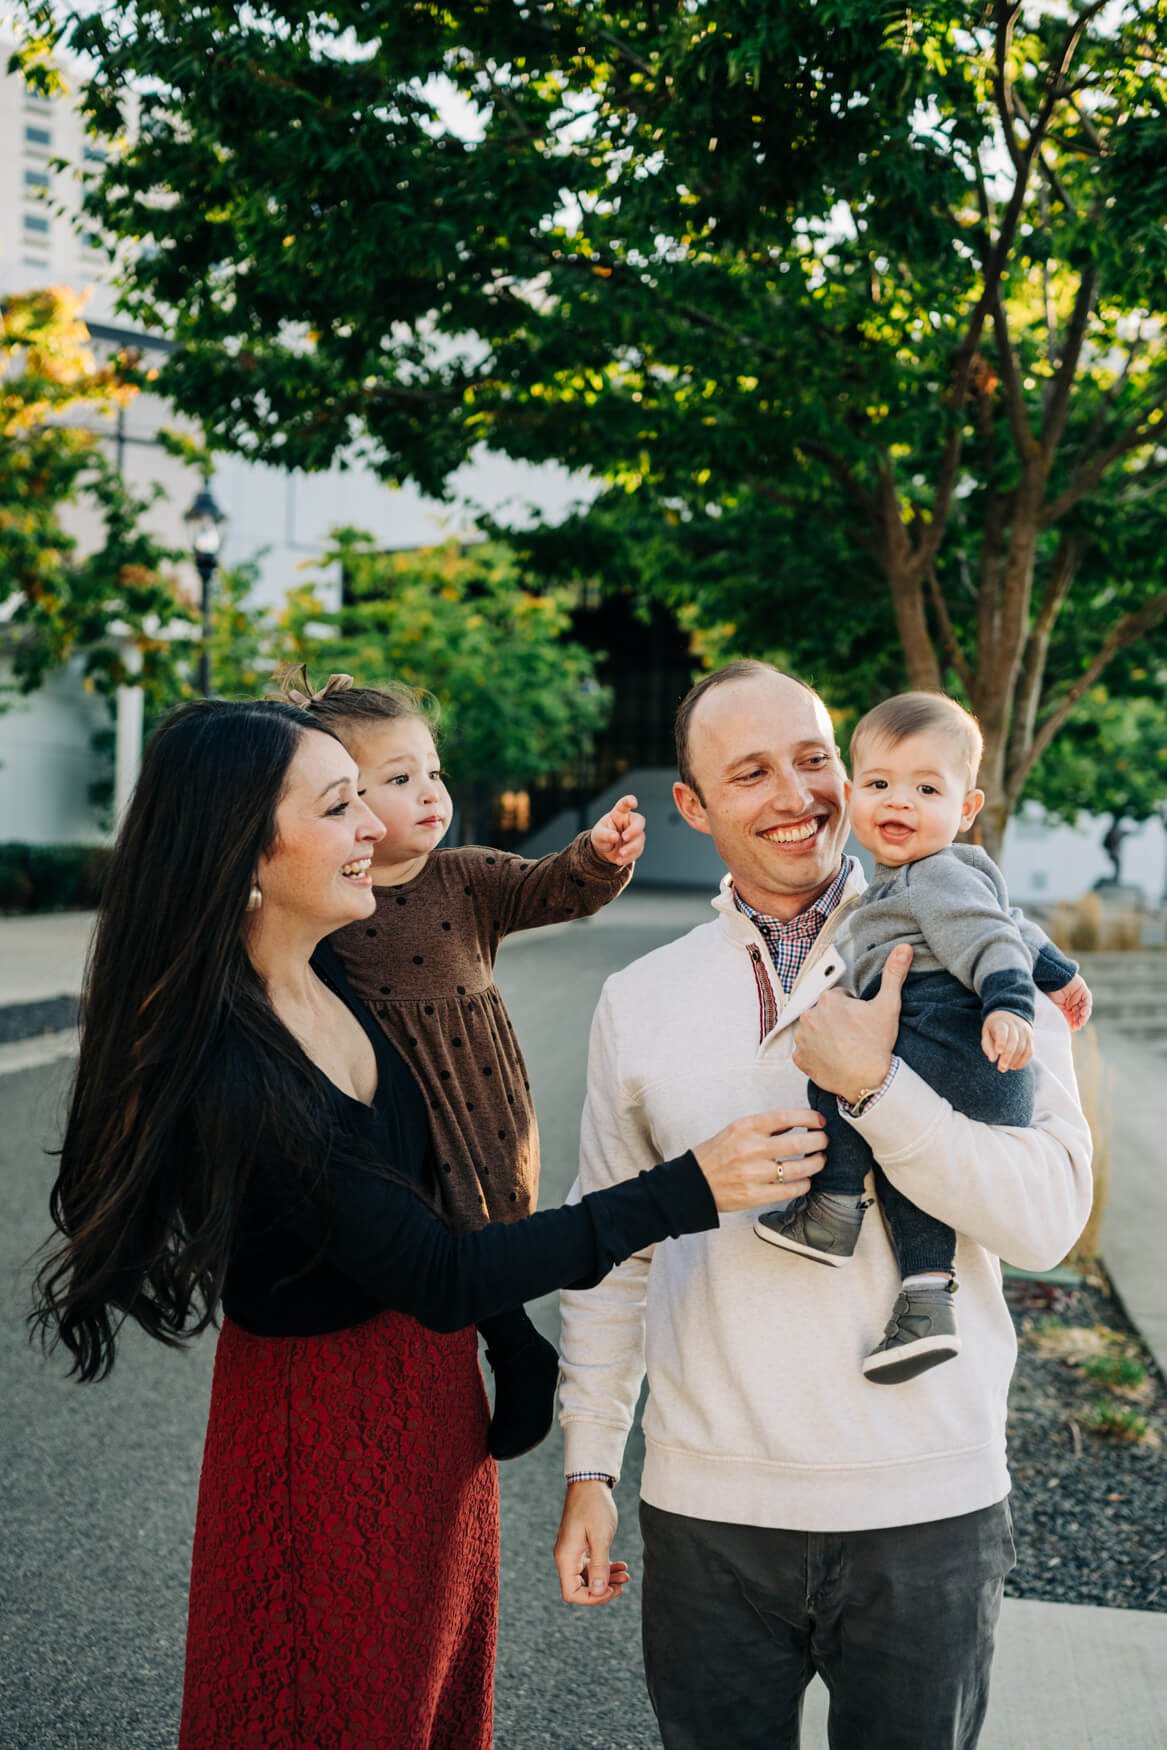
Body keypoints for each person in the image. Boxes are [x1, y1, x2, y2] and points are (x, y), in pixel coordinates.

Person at [30, 697, 828, 1750]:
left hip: (432, 1404)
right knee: (334, 1705)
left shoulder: (332, 975)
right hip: (322, 1438)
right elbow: (435, 1266)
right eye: (341, 805)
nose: (377, 826)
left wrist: (511, 1344)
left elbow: (442, 1200)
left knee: (430, 1695)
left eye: (371, 796)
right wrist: (686, 1188)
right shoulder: (237, 1064)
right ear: (248, 855)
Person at [554, 661, 1092, 1750]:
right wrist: (590, 1463)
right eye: (751, 772)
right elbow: (615, 1252)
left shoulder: (987, 939)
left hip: (927, 1502)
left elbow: (1047, 1224)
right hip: (711, 1509)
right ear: (694, 807)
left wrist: (879, 1092)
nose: (797, 794)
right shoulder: (643, 998)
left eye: (814, 759)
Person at [288, 667, 643, 1458]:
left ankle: (514, 1345)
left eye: (434, 773)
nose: (430, 793)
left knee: (483, 1215)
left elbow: (551, 889)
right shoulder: (324, 897)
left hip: (474, 1088)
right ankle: (498, 1344)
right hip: (390, 1098)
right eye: (399, 778)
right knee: (410, 1225)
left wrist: (597, 854)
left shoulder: (467, 876)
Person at [755, 691, 1093, 1383]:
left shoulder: (933, 872)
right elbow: (1010, 921)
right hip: (967, 1064)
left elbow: (991, 938)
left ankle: (833, 1207)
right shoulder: (929, 880)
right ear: (851, 796)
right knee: (912, 1167)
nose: (898, 802)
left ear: (965, 809)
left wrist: (1011, 1005)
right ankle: (924, 1300)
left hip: (960, 1043)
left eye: (926, 788)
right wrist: (1058, 973)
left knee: (836, 1065)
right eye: (879, 784)